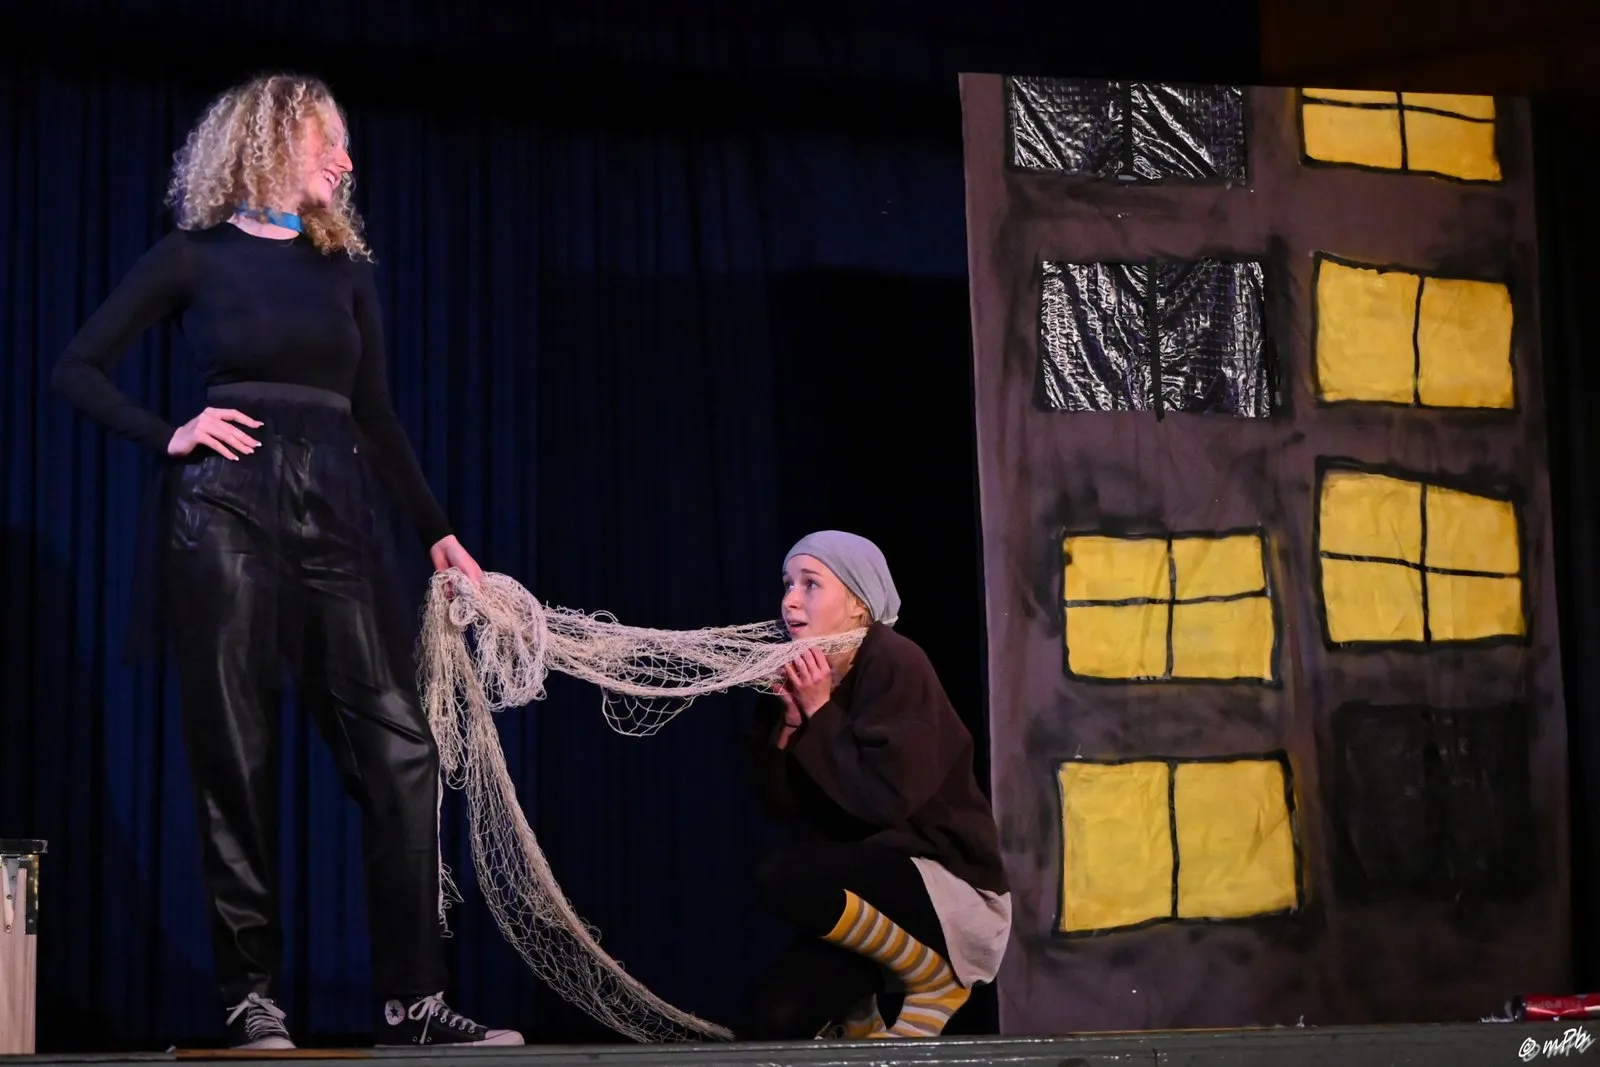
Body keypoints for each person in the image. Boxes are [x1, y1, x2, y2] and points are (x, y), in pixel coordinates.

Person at [49, 73, 521, 1050]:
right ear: (268, 142)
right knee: (236, 750)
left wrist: (436, 529)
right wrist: (170, 431)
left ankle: (413, 1000)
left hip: (336, 518)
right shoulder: (192, 256)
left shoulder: (343, 269)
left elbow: (377, 414)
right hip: (223, 513)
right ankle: (249, 995)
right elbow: (76, 367)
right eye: (326, 141)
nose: (345, 161)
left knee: (400, 749)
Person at [743, 530, 1012, 1041]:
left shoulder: (895, 661)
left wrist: (822, 711)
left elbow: (885, 800)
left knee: (785, 874)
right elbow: (779, 808)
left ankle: (932, 977)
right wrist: (792, 726)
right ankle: (864, 1015)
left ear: (858, 604)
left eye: (810, 584)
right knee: (776, 1021)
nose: (790, 600)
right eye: (787, 584)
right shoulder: (797, 673)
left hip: (946, 890)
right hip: (865, 895)